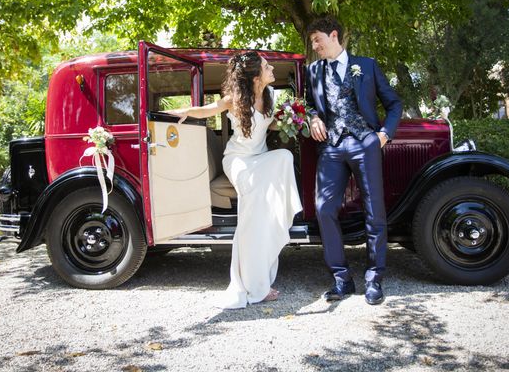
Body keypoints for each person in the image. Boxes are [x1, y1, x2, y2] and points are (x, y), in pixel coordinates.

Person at [168, 52, 302, 309]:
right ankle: (251, 285)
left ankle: (262, 272)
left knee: (284, 156)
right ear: (255, 75)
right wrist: (183, 111)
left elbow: (268, 125)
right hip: (239, 160)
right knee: (252, 217)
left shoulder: (270, 95)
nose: (271, 68)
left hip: (260, 157)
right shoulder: (235, 99)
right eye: (266, 66)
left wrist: (290, 120)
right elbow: (208, 109)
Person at [305, 17, 403, 305]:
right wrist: (313, 118)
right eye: (313, 41)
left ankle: (374, 277)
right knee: (324, 208)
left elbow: (394, 103)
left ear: (333, 35)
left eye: (317, 40)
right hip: (332, 146)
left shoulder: (367, 66)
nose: (315, 46)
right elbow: (311, 102)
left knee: (375, 210)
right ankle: (341, 278)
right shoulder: (313, 71)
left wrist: (384, 134)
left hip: (365, 143)